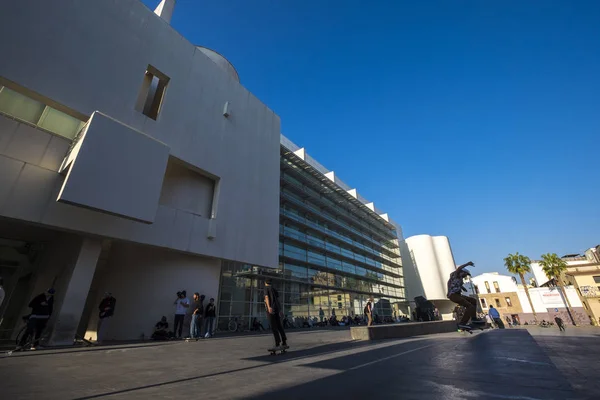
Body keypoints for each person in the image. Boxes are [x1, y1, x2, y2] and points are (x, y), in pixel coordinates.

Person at [447, 261, 479, 330]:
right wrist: (468, 264)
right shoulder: (456, 274)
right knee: (469, 306)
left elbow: (458, 284)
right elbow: (459, 268)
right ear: (462, 272)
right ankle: (462, 323)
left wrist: (463, 288)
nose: (465, 276)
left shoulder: (460, 279)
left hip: (458, 295)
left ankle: (474, 318)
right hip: (453, 295)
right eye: (465, 274)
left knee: (473, 300)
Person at [264, 279, 287, 349]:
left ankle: (277, 343)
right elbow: (278, 301)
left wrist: (269, 307)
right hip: (277, 309)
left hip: (271, 309)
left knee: (273, 326)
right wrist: (280, 310)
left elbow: (266, 297)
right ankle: (284, 341)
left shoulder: (266, 288)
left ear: (265, 283)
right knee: (279, 325)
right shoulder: (274, 289)